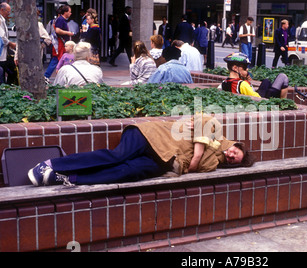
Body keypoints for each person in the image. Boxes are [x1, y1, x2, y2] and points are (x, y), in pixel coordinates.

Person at [28, 114, 254, 187]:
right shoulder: (218, 132)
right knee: (117, 156)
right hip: (151, 136)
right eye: (236, 152)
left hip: (164, 162)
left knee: (124, 173)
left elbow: (194, 168)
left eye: (234, 160)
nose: (232, 156)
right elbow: (204, 119)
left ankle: (67, 177)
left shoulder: (214, 164)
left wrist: (195, 157)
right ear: (234, 144)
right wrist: (197, 152)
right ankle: (50, 165)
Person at [220, 52, 289, 99]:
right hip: (262, 103)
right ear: (235, 68)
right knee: (283, 77)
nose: (247, 69)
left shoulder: (223, 83)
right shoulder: (243, 85)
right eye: (244, 67)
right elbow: (258, 99)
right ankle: (282, 105)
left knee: (266, 82)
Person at [44, 5, 74, 79]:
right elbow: (57, 30)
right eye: (69, 12)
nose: (71, 13)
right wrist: (68, 33)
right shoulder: (61, 19)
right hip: (60, 43)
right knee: (56, 59)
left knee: (59, 59)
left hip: (61, 43)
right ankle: (46, 76)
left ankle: (57, 77)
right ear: (65, 12)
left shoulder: (61, 19)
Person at [0, 2, 16, 84]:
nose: (9, 14)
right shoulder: (0, 20)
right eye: (8, 11)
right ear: (2, 10)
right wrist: (10, 43)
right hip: (1, 53)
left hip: (4, 52)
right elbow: (2, 36)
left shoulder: (3, 20)